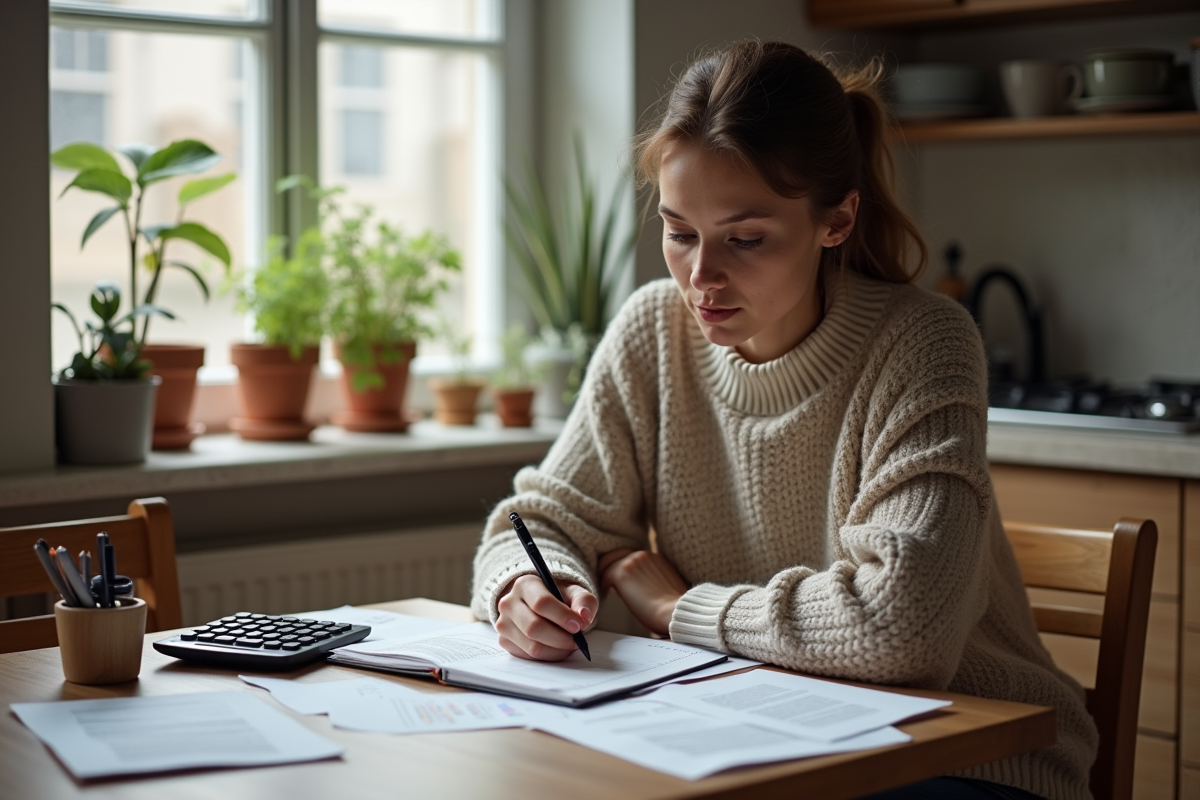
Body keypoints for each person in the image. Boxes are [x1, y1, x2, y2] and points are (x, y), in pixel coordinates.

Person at [471, 41, 1097, 800]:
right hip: (754, 740)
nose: (700, 278)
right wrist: (530, 593)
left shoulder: (924, 341)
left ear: (836, 220)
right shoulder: (652, 333)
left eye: (745, 238)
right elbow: (538, 522)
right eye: (678, 231)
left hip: (961, 756)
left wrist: (678, 610)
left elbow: (905, 627)